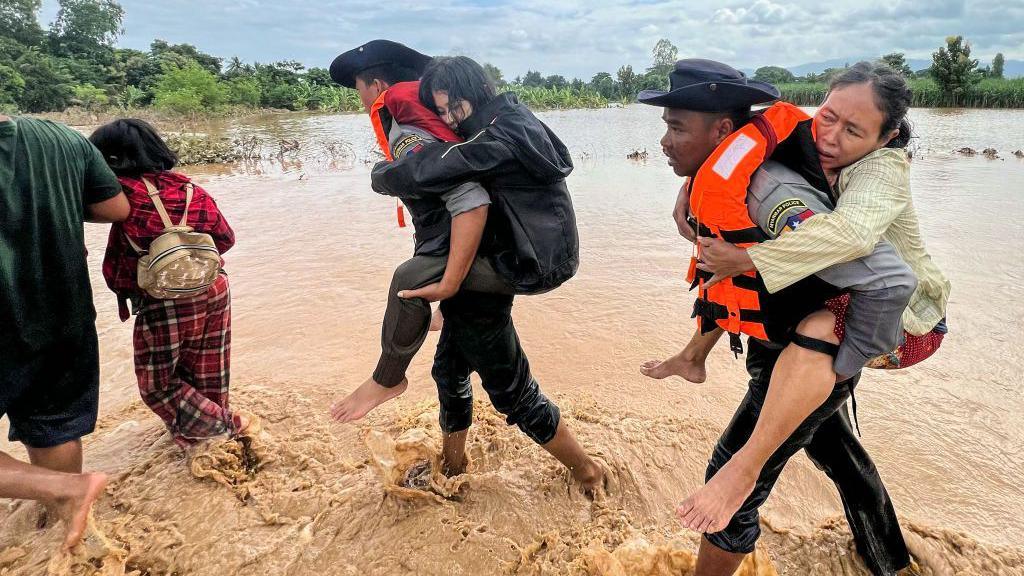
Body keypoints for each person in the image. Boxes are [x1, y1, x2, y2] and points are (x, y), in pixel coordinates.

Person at [643, 63, 950, 542]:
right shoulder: (805, 138)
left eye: (854, 131)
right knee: (835, 448)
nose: (830, 135)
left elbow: (852, 236)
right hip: (815, 301)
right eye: (828, 116)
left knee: (746, 460)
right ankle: (887, 556)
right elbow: (734, 145)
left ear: (886, 137)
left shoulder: (882, 170)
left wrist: (748, 259)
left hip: (900, 322)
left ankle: (742, 479)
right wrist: (690, 189)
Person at [370, 56, 602, 492]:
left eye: (452, 108)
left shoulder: (499, 134)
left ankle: (588, 471)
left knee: (510, 389)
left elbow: (436, 166)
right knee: (449, 368)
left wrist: (383, 173)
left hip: (524, 261)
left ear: (473, 93)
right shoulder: (510, 119)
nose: (448, 119)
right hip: (521, 252)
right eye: (439, 112)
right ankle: (454, 468)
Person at [326, 40, 513, 424]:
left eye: (359, 90)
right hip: (485, 247)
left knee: (407, 282)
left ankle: (387, 378)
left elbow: (469, 198)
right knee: (450, 373)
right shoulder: (427, 116)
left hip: (479, 256)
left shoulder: (406, 131)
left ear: (376, 86)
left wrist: (448, 281)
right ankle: (453, 465)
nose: (360, 100)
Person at [1, 114, 129, 549]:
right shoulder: (59, 137)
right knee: (53, 426)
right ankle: (68, 534)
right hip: (63, 313)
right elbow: (116, 208)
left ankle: (66, 493)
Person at [89, 119, 255, 448]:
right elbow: (226, 239)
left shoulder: (123, 194)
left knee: (158, 384)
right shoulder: (192, 189)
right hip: (214, 288)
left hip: (164, 299)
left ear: (107, 161)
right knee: (209, 374)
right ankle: (208, 443)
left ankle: (228, 425)